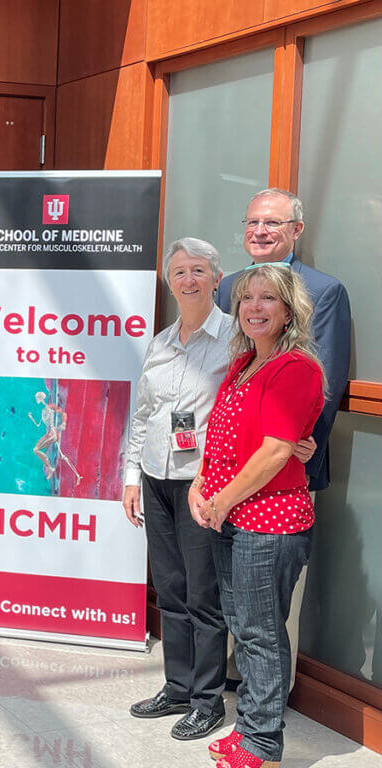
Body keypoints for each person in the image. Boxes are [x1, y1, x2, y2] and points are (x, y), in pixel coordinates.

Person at [216, 188, 351, 691]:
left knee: (271, 603)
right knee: (232, 590)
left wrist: (297, 443)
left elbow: (328, 377)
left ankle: (270, 699)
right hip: (227, 469)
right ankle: (232, 684)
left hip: (285, 465)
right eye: (253, 222)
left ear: (296, 230)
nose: (260, 231)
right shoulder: (228, 284)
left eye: (273, 223)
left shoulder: (324, 289)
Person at [192, 263, 325, 768]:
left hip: (267, 522)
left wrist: (221, 502)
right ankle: (251, 725)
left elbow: (274, 451)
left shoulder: (296, 367)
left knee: (260, 632)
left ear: (288, 309)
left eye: (267, 299)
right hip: (230, 517)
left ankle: (262, 742)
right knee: (244, 627)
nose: (254, 307)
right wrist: (202, 486)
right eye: (247, 298)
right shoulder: (243, 363)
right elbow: (222, 441)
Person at [122, 238, 232, 740]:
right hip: (155, 478)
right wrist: (130, 476)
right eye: (180, 272)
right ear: (170, 282)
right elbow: (142, 414)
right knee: (169, 589)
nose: (188, 280)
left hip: (202, 485)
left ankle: (208, 700)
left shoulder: (236, 338)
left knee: (203, 593)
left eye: (199, 270)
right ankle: (178, 686)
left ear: (217, 277)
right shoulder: (161, 341)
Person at [28, 390, 81, 487]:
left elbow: (64, 413)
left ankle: (52, 468)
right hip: (49, 433)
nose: (36, 399)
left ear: (41, 398)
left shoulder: (50, 407)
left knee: (38, 450)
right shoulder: (43, 411)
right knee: (36, 449)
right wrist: (31, 418)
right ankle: (51, 468)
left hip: (53, 433)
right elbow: (38, 425)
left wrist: (63, 424)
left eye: (37, 398)